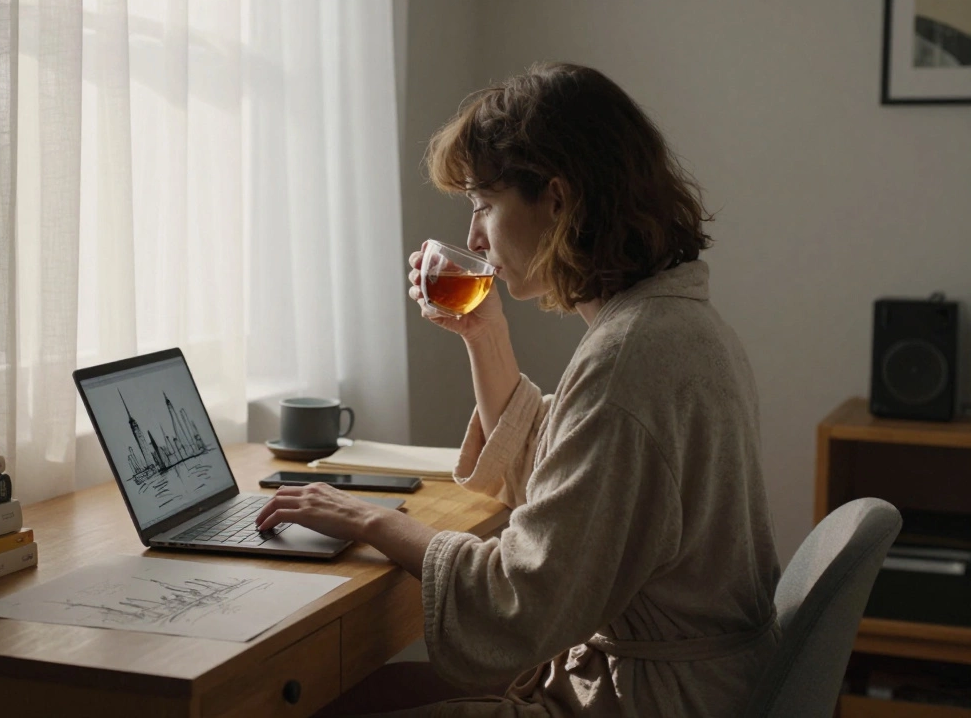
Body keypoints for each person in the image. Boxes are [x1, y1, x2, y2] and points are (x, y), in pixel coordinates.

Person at [255, 61, 780, 717]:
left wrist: (371, 520)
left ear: (557, 200)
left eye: (483, 205)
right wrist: (486, 336)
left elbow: (518, 602)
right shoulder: (673, 324)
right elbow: (577, 477)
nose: (473, 237)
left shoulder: (629, 359)